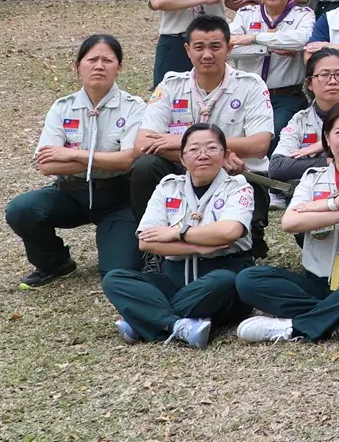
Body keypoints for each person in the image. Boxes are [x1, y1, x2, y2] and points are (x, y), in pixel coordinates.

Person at [235, 99, 339, 343]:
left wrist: (327, 204)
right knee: (248, 280)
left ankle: (293, 327)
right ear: (327, 138)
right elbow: (290, 222)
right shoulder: (312, 178)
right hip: (320, 282)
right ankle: (338, 319)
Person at [8, 34, 146, 287]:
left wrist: (73, 153)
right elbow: (47, 165)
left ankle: (121, 244)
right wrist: (106, 158)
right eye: (92, 59)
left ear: (119, 67)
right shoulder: (62, 107)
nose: (99, 66)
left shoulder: (134, 107)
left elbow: (128, 160)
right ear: (78, 65)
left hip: (118, 198)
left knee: (117, 272)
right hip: (70, 193)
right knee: (21, 209)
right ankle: (56, 263)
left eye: (108, 60)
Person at [102, 123, 255, 347]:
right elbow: (146, 241)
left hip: (219, 277)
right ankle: (177, 326)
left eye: (212, 148)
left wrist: (177, 233)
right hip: (174, 278)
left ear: (226, 155)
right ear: (182, 159)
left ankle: (147, 318)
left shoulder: (238, 187)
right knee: (115, 279)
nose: (203, 155)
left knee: (224, 281)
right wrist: (196, 246)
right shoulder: (168, 187)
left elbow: (229, 231)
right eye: (193, 150)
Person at [132, 15, 273, 249]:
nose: (207, 55)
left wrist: (181, 141)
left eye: (215, 47)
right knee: (146, 165)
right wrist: (197, 157)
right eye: (199, 47)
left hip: (235, 173)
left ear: (229, 48)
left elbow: (259, 146)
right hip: (181, 173)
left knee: (241, 249)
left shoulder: (250, 85)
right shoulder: (171, 85)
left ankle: (245, 237)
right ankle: (153, 246)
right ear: (187, 50)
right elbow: (142, 144)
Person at [269, 49, 339, 184]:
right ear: (309, 84)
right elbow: (277, 167)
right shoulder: (300, 119)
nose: (333, 81)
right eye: (324, 75)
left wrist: (323, 145)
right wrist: (329, 161)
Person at [227, 0, 314, 134]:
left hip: (285, 96)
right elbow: (228, 47)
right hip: (246, 94)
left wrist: (254, 38)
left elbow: (300, 40)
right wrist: (267, 49)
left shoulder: (303, 15)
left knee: (273, 133)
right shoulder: (245, 15)